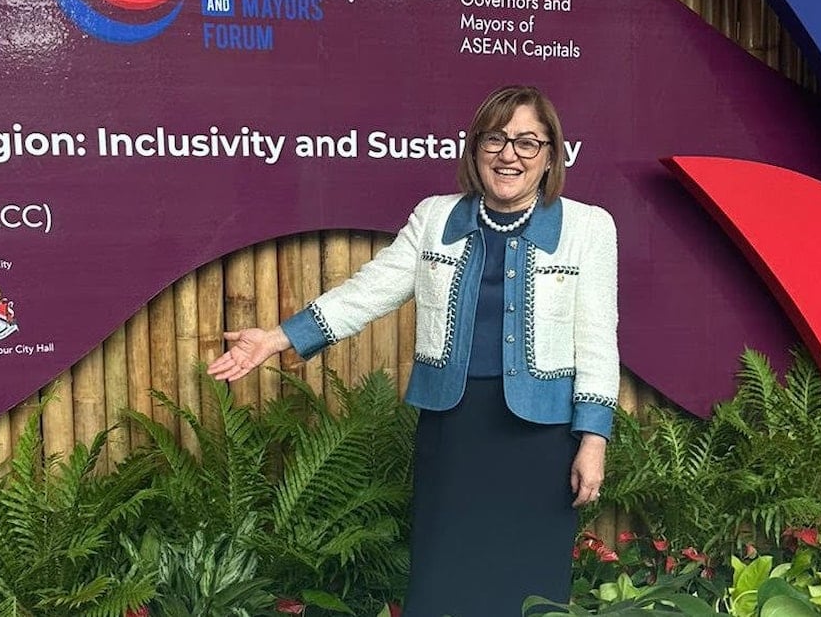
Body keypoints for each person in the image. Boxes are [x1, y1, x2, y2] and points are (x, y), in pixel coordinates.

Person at [207, 85, 619, 616]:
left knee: (529, 580)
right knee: (445, 576)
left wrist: (593, 441)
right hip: (453, 428)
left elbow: (597, 337)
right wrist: (278, 337)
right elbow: (370, 290)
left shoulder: (588, 228)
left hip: (542, 435)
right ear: (475, 149)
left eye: (527, 142)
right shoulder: (434, 218)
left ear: (550, 155)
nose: (509, 155)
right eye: (494, 139)